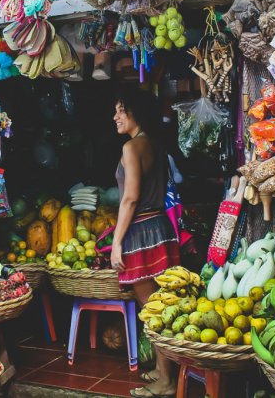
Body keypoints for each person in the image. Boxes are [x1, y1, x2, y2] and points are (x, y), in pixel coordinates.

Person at [111, 88, 181, 398]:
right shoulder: (156, 144)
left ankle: (166, 382)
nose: (115, 117)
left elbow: (130, 198)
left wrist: (116, 243)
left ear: (134, 112)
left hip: (141, 232)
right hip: (161, 227)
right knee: (161, 305)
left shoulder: (131, 147)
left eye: (120, 110)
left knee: (152, 310)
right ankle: (162, 370)